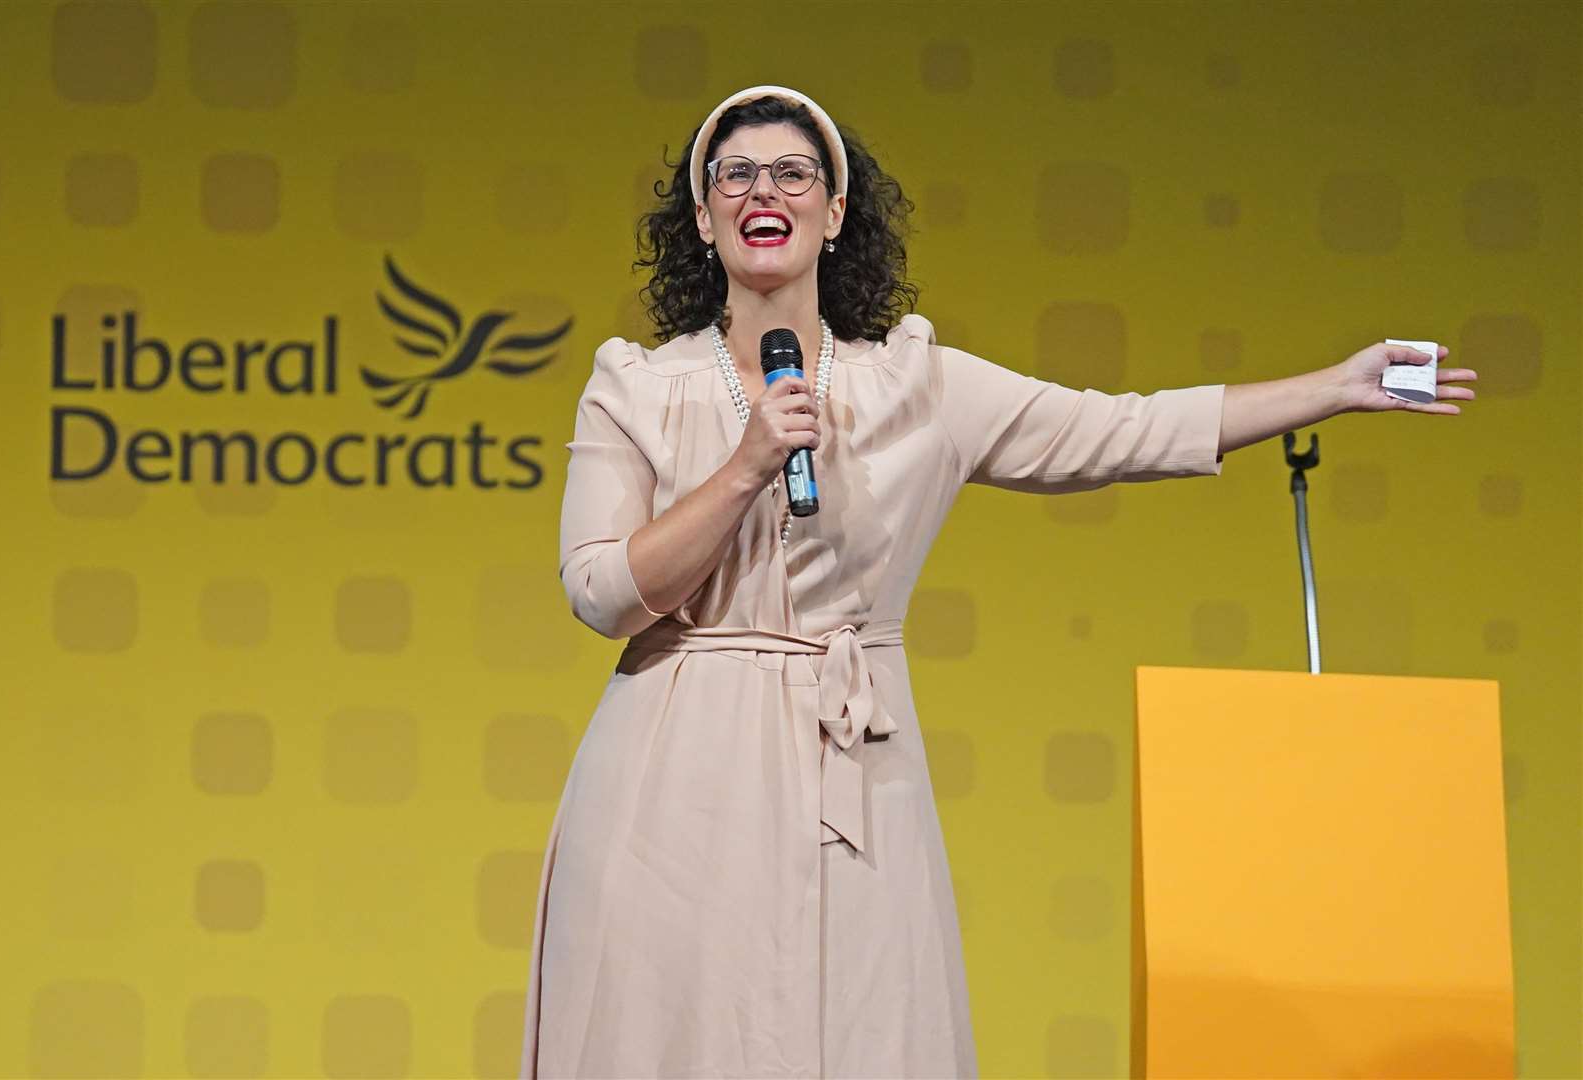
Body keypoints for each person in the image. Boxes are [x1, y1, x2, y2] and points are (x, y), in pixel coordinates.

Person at [520, 84, 1477, 1078]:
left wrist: (1333, 387)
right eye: (737, 175)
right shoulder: (634, 385)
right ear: (705, 215)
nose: (765, 191)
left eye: (793, 173)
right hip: (672, 783)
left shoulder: (917, 386)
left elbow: (1122, 427)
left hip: (853, 764)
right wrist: (742, 468)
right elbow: (600, 592)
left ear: (836, 212)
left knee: (866, 1035)